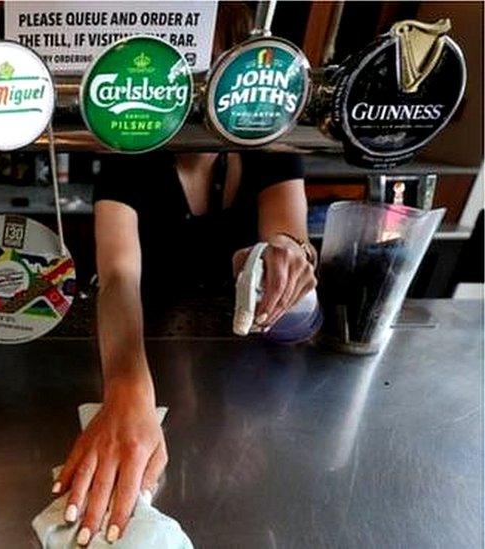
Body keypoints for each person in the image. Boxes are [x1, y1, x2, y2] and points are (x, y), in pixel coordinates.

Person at [50, 7, 318, 545]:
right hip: (143, 347)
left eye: (206, 58)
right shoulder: (130, 154)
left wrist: (284, 258)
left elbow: (291, 235)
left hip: (249, 375)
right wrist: (126, 390)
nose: (191, 76)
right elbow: (119, 277)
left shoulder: (269, 146)